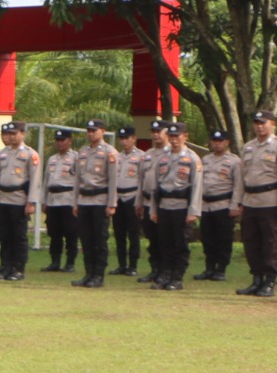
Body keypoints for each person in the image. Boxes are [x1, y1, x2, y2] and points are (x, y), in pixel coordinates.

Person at [236, 110, 277, 297]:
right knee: (251, 241)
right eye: (257, 123)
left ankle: (269, 281)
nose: (259, 126)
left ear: (272, 124)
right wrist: (239, 201)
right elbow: (242, 177)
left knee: (270, 242)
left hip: (270, 200)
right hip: (250, 200)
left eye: (263, 122)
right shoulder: (248, 147)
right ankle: (256, 279)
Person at [147, 121, 203, 289]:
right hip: (164, 206)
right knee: (165, 242)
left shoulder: (192, 158)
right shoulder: (163, 158)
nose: (173, 139)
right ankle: (165, 275)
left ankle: (177, 278)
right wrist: (153, 209)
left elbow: (197, 186)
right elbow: (155, 186)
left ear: (185, 136)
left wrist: (193, 211)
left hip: (182, 206)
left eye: (177, 136)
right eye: (171, 136)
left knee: (180, 244)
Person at [0, 120, 39, 281]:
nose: (11, 137)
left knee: (18, 236)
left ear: (22, 134)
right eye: (9, 134)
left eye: (14, 133)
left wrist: (31, 202)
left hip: (19, 200)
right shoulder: (2, 153)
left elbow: (35, 180)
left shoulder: (30, 154)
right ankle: (6, 267)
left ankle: (18, 269)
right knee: (4, 236)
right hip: (3, 199)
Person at [71, 118, 114, 287]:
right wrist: (75, 202)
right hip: (84, 200)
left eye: (94, 131)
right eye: (88, 131)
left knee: (99, 240)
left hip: (100, 200)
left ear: (102, 131)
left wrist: (111, 204)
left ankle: (98, 275)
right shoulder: (83, 152)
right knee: (86, 239)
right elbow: (77, 179)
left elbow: (113, 180)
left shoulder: (109, 152)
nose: (90, 134)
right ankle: (88, 273)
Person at [195, 130, 241, 281]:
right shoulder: (205, 160)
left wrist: (235, 205)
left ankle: (221, 269)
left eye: (220, 141)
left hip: (223, 205)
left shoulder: (234, 161)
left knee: (223, 239)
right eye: (214, 140)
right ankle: (209, 268)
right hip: (206, 205)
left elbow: (238, 185)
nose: (217, 143)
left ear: (227, 142)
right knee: (207, 238)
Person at [41, 128, 78, 272]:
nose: (60, 143)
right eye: (57, 140)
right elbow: (46, 181)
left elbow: (79, 181)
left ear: (70, 141)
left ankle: (70, 263)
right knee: (54, 233)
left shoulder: (76, 158)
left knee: (70, 233)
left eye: (63, 140)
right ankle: (55, 262)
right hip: (53, 200)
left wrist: (77, 202)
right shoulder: (52, 159)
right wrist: (44, 201)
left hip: (68, 199)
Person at [112, 127, 146, 277]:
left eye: (127, 138)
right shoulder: (116, 156)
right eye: (122, 138)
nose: (124, 141)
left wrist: (140, 201)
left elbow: (143, 180)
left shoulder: (141, 156)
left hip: (133, 196)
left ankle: (132, 266)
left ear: (134, 138)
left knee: (133, 233)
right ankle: (121, 265)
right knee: (119, 233)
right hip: (118, 197)